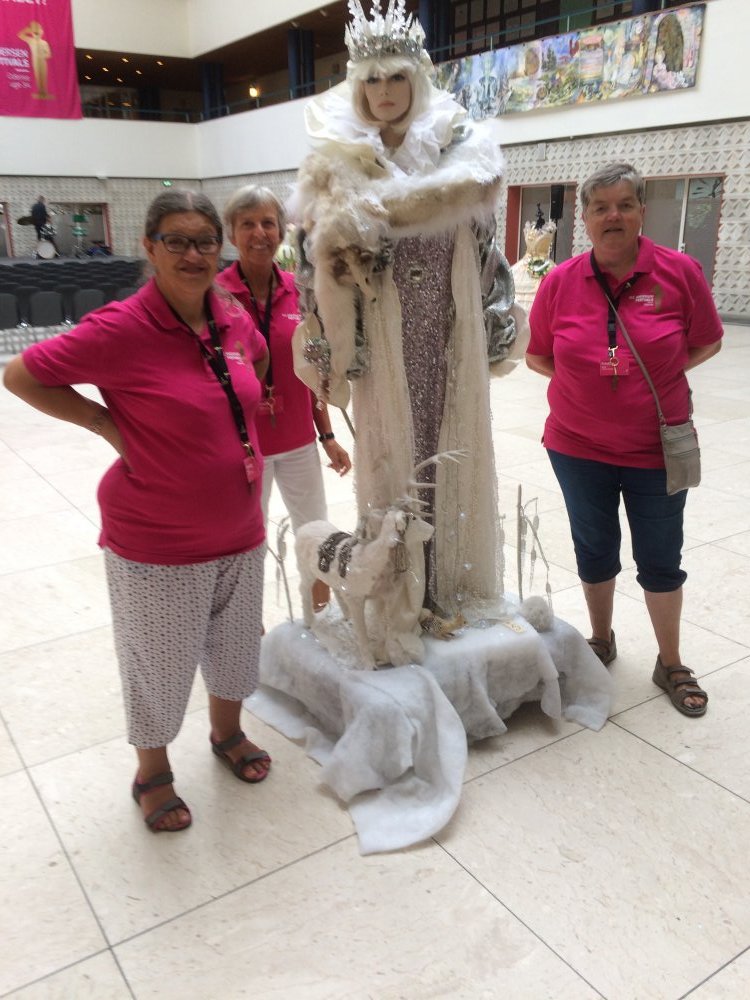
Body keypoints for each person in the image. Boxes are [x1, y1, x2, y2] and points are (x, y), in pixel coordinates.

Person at [3, 190, 273, 833]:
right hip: (158, 538)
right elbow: (20, 375)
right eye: (176, 241)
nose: (193, 254)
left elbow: (258, 358)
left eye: (204, 242)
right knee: (159, 663)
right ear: (150, 247)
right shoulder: (120, 327)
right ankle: (152, 772)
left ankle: (227, 734)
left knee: (236, 648)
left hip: (240, 525)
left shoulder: (231, 316)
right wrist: (104, 422)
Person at [291, 0, 517, 627]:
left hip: (448, 336)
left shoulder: (461, 156)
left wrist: (493, 326)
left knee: (452, 452)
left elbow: (486, 254)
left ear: (415, 81)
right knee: (394, 457)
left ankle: (448, 582)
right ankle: (399, 587)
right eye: (372, 80)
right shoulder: (336, 167)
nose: (384, 91)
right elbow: (317, 271)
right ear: (357, 89)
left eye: (396, 77)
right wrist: (330, 345)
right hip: (384, 346)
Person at [526, 161, 723, 717]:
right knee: (594, 547)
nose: (613, 216)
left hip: (656, 447)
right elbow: (538, 355)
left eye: (625, 205)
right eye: (600, 207)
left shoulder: (679, 272)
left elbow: (708, 341)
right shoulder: (561, 282)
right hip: (576, 446)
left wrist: (653, 377)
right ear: (585, 218)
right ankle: (601, 639)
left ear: (641, 211)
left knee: (661, 555)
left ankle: (671, 662)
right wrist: (585, 384)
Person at [216, 184, 351, 611]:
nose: (259, 233)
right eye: (247, 224)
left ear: (281, 230)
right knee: (245, 543)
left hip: (297, 443)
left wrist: (327, 436)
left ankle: (320, 618)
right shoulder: (214, 295)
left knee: (316, 533)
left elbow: (314, 373)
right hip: (242, 447)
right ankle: (245, 628)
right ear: (231, 233)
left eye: (268, 223)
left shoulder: (300, 291)